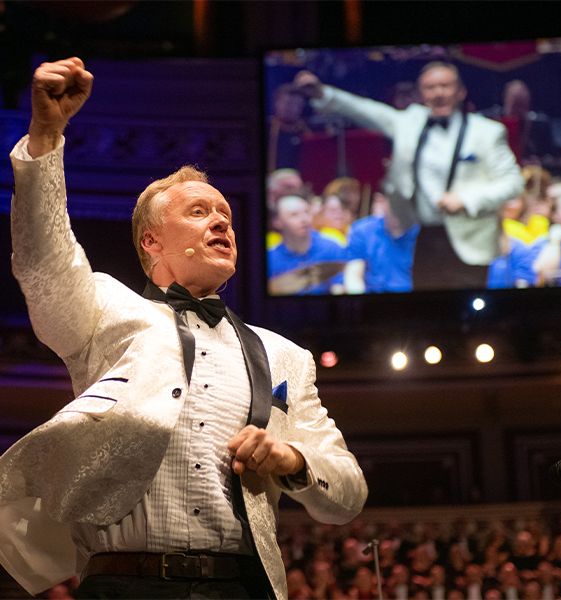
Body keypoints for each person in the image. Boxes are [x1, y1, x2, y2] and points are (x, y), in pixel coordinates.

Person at [0, 57, 368, 599]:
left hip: (243, 588)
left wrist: (293, 460)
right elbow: (43, 262)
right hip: (126, 585)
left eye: (225, 213)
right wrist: (46, 138)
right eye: (199, 212)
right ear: (151, 242)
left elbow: (349, 490)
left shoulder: (286, 355)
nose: (221, 221)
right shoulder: (103, 309)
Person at [294, 62, 524, 290]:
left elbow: (513, 183)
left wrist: (466, 199)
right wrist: (323, 93)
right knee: (424, 311)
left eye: (445, 86)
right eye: (430, 87)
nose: (438, 93)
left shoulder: (486, 132)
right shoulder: (410, 122)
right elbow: (365, 110)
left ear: (460, 91)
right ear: (422, 93)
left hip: (469, 237)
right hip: (421, 236)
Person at [267, 195, 346, 295]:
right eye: (294, 214)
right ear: (277, 222)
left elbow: (339, 288)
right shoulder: (270, 258)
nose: (304, 219)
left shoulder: (332, 247)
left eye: (306, 212)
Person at [344, 192, 419, 293]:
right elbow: (354, 276)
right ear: (382, 201)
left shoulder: (421, 231)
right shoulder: (361, 231)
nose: (398, 212)